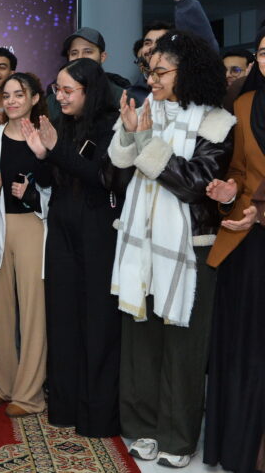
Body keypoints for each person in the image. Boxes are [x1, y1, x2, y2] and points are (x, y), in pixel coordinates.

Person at [108, 30, 233, 467]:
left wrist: (145, 142)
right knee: (141, 344)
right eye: (149, 70)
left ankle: (178, 439)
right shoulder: (145, 109)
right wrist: (129, 135)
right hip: (139, 242)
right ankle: (143, 428)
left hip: (189, 249)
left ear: (188, 71)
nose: (151, 79)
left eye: (161, 71)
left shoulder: (216, 121)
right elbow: (116, 171)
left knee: (183, 348)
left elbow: (194, 183)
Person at [26, 58, 126, 438]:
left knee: (97, 322)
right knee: (62, 318)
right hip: (62, 228)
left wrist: (56, 150)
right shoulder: (61, 124)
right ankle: (65, 407)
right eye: (58, 89)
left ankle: (97, 416)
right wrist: (41, 155)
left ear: (90, 90)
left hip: (98, 230)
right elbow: (48, 179)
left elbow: (102, 177)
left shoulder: (112, 125)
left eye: (68, 90)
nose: (61, 97)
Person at [203, 28, 265, 473]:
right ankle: (241, 450)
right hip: (248, 242)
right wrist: (229, 194)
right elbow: (241, 171)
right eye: (263, 51)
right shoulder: (244, 105)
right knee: (245, 347)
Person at [0, 73, 51, 418]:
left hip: (34, 227)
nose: (10, 101)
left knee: (33, 310)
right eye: (6, 95)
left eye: (18, 94)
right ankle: (0, 383)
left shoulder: (45, 135)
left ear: (34, 98)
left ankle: (29, 393)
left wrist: (35, 195)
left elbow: (58, 186)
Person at [46, 28, 129, 120]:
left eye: (88, 52)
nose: (80, 57)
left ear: (102, 57)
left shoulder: (122, 98)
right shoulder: (54, 100)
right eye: (74, 53)